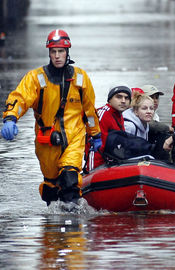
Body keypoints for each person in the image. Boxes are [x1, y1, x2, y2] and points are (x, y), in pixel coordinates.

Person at [1, 29, 101, 207]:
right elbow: (20, 98)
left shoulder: (80, 78)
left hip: (74, 137)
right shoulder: (36, 78)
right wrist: (10, 118)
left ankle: (72, 224)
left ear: (67, 52)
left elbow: (89, 111)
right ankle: (54, 226)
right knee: (51, 189)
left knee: (70, 177)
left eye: (61, 51)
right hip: (47, 140)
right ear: (49, 53)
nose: (57, 56)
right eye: (53, 52)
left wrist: (96, 135)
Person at [86, 85, 131, 171]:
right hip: (97, 164)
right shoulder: (102, 114)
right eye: (119, 97)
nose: (123, 101)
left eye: (126, 98)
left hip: (111, 163)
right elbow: (93, 146)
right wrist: (91, 171)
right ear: (110, 99)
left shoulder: (119, 115)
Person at [141, 84, 173, 159]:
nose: (155, 100)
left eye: (157, 97)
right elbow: (149, 124)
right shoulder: (137, 112)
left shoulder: (156, 116)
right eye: (151, 97)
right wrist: (168, 128)